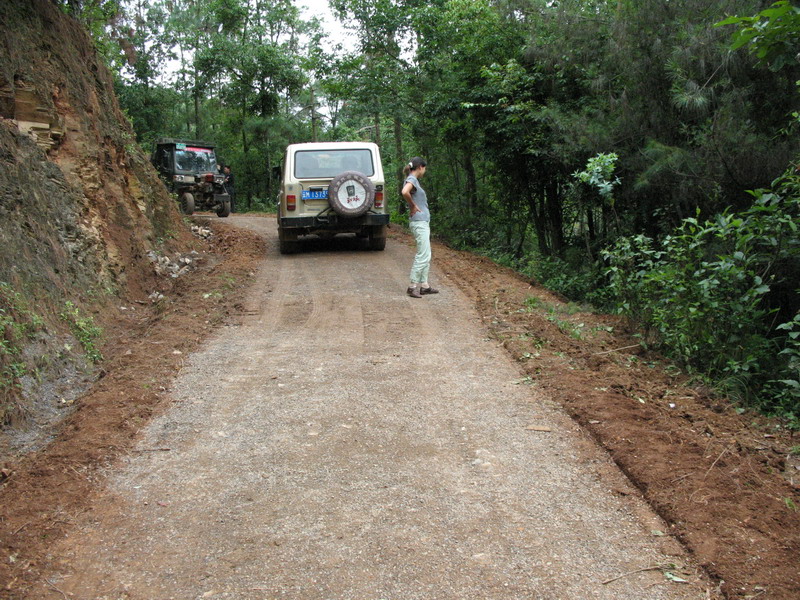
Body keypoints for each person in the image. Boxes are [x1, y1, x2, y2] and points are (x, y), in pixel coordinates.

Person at [401, 157, 439, 298]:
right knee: (423, 254)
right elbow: (405, 192)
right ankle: (412, 286)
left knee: (426, 253)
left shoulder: (413, 180)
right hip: (419, 222)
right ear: (420, 167)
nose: (425, 171)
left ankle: (424, 285)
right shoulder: (412, 179)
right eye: (425, 168)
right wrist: (413, 205)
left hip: (422, 221)